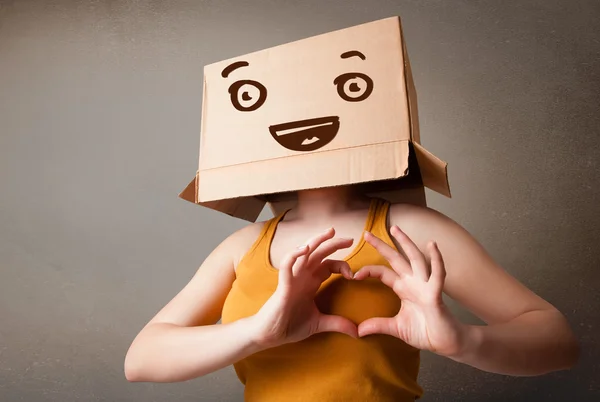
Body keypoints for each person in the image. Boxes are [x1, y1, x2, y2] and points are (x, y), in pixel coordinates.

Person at [123, 185, 579, 401]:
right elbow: (141, 360)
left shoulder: (411, 229)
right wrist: (256, 332)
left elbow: (558, 342)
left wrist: (462, 340)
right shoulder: (244, 243)